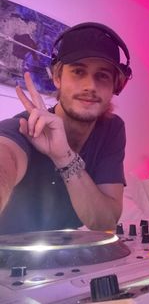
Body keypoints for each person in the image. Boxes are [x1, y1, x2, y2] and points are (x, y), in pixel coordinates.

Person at [0, 22, 132, 234]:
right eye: (78, 71)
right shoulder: (21, 128)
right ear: (57, 78)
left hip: (69, 258)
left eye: (103, 75)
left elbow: (104, 222)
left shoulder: (112, 129)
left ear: (116, 86)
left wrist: (65, 158)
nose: (90, 86)